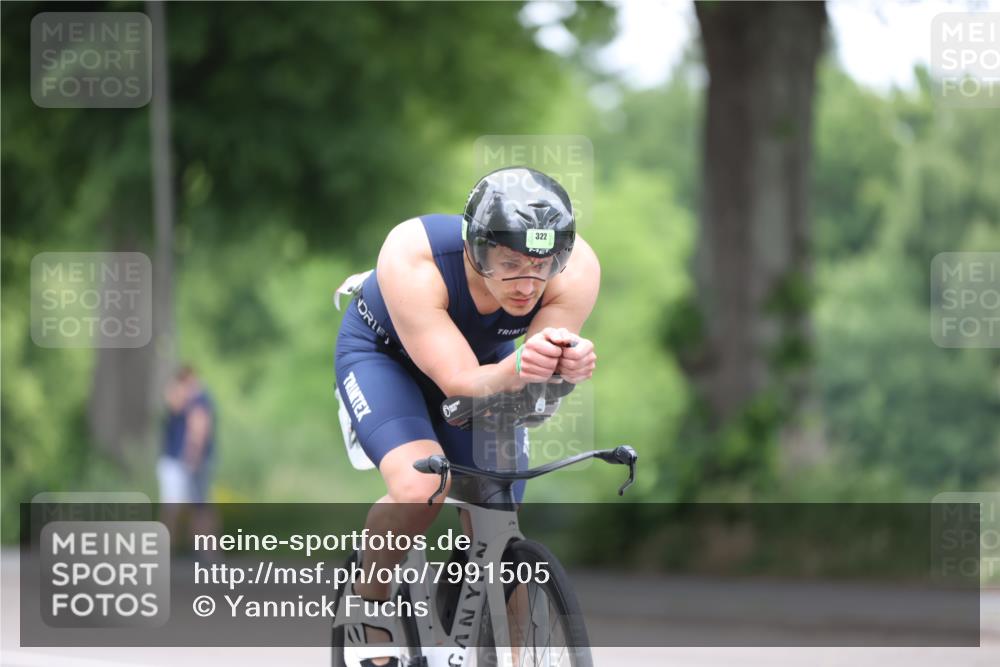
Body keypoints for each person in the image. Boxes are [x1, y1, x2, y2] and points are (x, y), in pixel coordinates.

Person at [333, 167, 599, 666]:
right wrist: (522, 365)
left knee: (499, 521)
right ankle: (369, 604)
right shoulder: (413, 255)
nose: (527, 282)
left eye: (543, 265)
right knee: (420, 490)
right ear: (477, 249)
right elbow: (458, 381)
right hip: (386, 358)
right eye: (510, 262)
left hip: (485, 365)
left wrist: (563, 368)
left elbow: (536, 372)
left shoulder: (577, 267)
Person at [158, 365, 218, 550]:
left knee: (194, 507)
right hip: (185, 461)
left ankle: (205, 551)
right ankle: (203, 551)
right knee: (197, 507)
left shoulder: (198, 400)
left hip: (187, 461)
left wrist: (192, 457)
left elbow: (198, 430)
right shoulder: (192, 400)